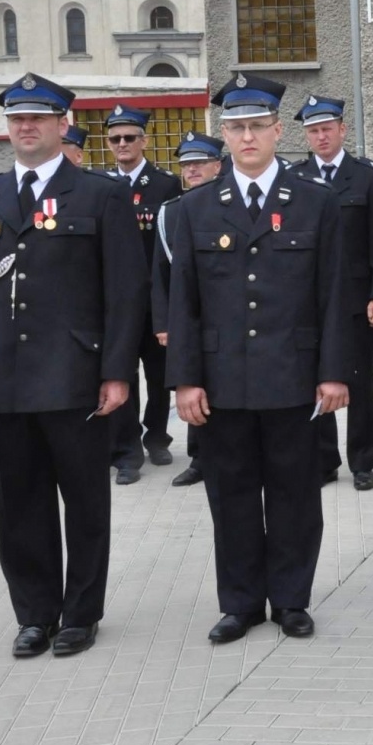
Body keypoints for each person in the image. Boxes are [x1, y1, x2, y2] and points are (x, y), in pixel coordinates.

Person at [0, 74, 145, 657]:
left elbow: (125, 293)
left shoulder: (101, 195)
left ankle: (81, 612)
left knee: (85, 501)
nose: (25, 127)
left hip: (75, 375)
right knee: (19, 503)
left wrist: (116, 371)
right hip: (3, 377)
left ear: (62, 125)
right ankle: (34, 613)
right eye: (15, 119)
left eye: (38, 118)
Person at [165, 75, 352, 643]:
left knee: (296, 494)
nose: (247, 137)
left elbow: (335, 294)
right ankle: (240, 603)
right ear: (224, 135)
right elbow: (185, 304)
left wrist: (335, 372)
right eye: (236, 128)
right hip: (222, 381)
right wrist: (185, 382)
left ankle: (292, 599)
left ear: (277, 131)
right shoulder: (194, 209)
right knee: (232, 495)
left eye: (257, 127)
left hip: (294, 377)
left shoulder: (317, 202)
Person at [291, 95, 373, 490]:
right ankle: (323, 459)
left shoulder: (366, 176)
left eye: (327, 128)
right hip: (308, 301)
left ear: (342, 130)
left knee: (359, 381)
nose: (321, 136)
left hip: (353, 302)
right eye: (313, 131)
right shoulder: (295, 178)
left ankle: (362, 461)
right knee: (316, 379)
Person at [103, 107, 182, 482]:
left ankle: (157, 436)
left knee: (158, 375)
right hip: (117, 302)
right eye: (115, 138)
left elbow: (171, 249)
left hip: (154, 300)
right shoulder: (101, 187)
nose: (122, 144)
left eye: (129, 138)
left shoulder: (165, 185)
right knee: (121, 374)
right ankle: (127, 451)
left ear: (144, 141)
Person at [150, 131, 223, 488]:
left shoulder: (226, 203)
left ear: (217, 166)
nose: (192, 170)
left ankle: (221, 456)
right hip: (187, 317)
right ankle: (199, 459)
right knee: (190, 385)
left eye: (199, 163)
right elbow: (161, 274)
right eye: (186, 165)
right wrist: (164, 322)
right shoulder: (171, 211)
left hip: (221, 317)